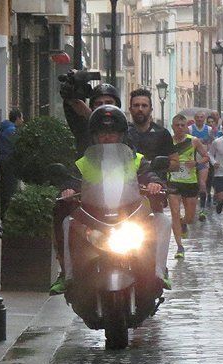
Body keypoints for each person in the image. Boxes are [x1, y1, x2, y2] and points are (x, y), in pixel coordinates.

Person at [58, 105, 169, 286]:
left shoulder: (136, 159)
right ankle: (68, 277)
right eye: (102, 133)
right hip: (95, 215)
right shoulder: (84, 162)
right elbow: (72, 179)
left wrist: (154, 184)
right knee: (67, 222)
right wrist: (68, 189)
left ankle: (158, 274)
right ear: (94, 136)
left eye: (113, 132)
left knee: (163, 221)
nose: (107, 137)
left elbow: (149, 174)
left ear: (122, 135)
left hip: (129, 214)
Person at [168, 113, 209, 258]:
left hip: (190, 182)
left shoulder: (194, 141)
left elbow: (206, 157)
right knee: (174, 212)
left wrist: (196, 163)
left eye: (182, 125)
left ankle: (182, 223)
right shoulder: (167, 142)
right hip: (173, 181)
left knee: (190, 218)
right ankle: (180, 247)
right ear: (172, 127)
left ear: (187, 127)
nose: (180, 128)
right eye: (177, 125)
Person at [61, 78, 121, 155]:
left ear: (117, 105)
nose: (104, 106)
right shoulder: (84, 128)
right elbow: (71, 107)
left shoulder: (126, 128)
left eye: (109, 102)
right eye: (99, 104)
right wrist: (72, 86)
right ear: (92, 107)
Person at [0, 108, 23, 220]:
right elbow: (19, 147)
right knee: (10, 191)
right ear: (17, 118)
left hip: (4, 162)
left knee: (5, 190)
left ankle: (5, 217)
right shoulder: (12, 131)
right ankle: (7, 218)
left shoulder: (6, 129)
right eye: (21, 117)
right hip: (10, 164)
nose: (22, 120)